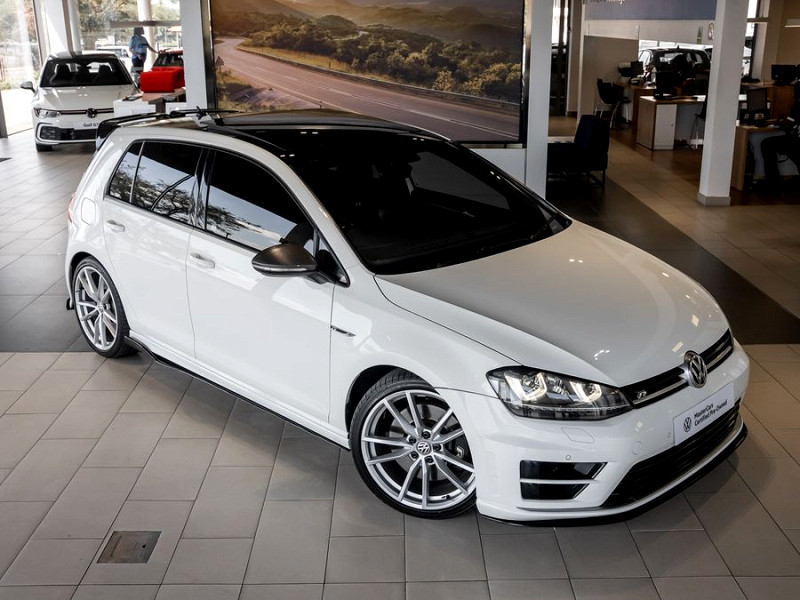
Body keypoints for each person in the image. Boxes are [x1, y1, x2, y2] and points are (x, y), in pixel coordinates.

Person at [760, 83, 800, 194]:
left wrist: (777, 122)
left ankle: (773, 183)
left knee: (767, 144)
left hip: (796, 141)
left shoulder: (798, 104)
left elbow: (788, 123)